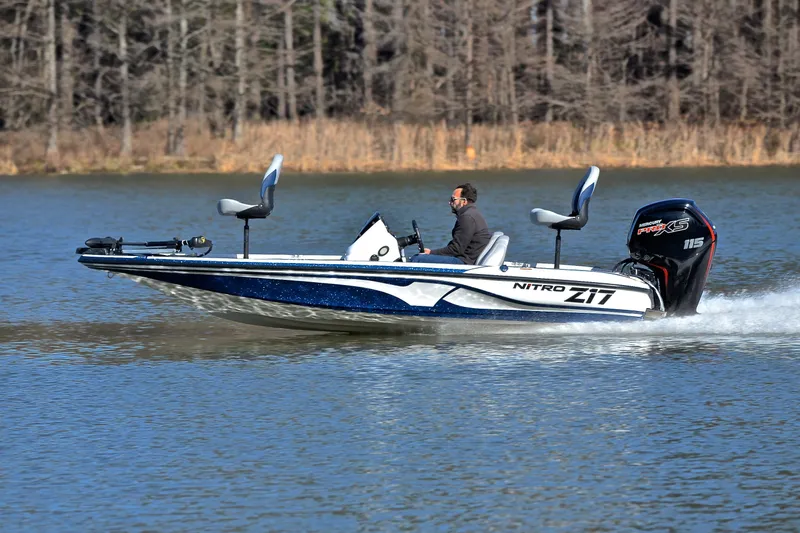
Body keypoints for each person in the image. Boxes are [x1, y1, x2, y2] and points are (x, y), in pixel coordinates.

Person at [410, 183, 491, 264]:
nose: (449, 202)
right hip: (465, 259)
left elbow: (456, 249)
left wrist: (431, 253)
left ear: (464, 201)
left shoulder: (467, 217)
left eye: (453, 199)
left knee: (417, 259)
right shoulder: (472, 213)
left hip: (463, 262)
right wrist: (431, 252)